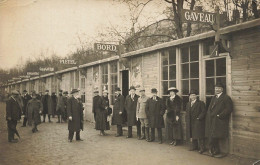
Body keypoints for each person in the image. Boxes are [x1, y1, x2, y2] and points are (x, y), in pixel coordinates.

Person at [205, 83, 233, 157]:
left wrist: (220, 115)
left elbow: (229, 109)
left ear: (222, 89)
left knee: (219, 135)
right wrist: (208, 114)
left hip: (220, 120)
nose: (217, 89)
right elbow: (210, 107)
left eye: (218, 88)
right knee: (212, 135)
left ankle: (221, 152)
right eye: (216, 88)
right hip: (212, 120)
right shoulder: (214, 97)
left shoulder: (226, 98)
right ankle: (214, 150)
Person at [185, 89, 206, 154]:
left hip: (198, 121)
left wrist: (199, 118)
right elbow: (187, 112)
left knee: (199, 135)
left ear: (196, 96)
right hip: (190, 121)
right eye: (191, 95)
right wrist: (186, 119)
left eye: (194, 95)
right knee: (192, 134)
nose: (193, 97)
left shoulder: (200, 103)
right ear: (190, 96)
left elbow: (204, 112)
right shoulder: (188, 104)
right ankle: (195, 146)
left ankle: (202, 148)